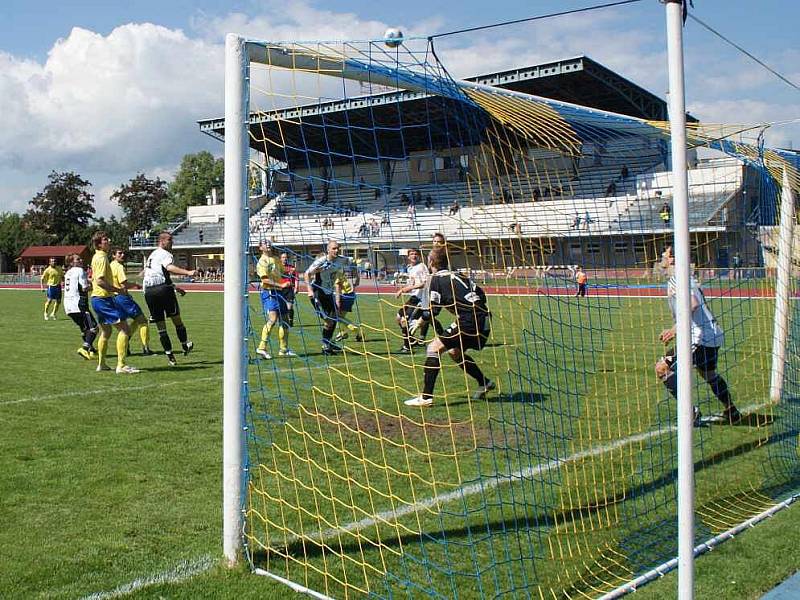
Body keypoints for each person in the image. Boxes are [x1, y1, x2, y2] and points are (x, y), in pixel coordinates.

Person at [655, 246, 742, 425]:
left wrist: (674, 329)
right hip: (712, 335)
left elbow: (692, 304)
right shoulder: (685, 279)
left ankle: (691, 412)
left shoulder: (677, 280)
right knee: (709, 374)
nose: (661, 259)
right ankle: (731, 411)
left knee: (662, 368)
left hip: (699, 338)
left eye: (664, 255)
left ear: (672, 260)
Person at [405, 247, 494, 407]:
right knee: (454, 352)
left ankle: (425, 398)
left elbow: (433, 311)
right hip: (485, 317)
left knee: (433, 348)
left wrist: (419, 322)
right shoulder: (459, 275)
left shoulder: (436, 279)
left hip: (469, 320)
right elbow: (481, 294)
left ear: (430, 262)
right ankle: (484, 383)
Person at [142, 232, 197, 366]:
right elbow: (169, 268)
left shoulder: (153, 255)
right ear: (161, 241)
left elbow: (155, 274)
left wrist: (175, 288)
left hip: (149, 292)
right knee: (176, 319)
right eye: (169, 240)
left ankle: (170, 357)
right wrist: (188, 272)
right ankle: (185, 345)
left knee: (161, 327)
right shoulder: (165, 254)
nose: (172, 242)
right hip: (162, 291)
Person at [89, 232, 139, 374]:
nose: (109, 241)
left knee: (106, 331)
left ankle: (102, 364)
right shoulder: (102, 258)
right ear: (99, 244)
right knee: (125, 329)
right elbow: (99, 281)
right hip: (103, 299)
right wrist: (118, 290)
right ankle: (121, 365)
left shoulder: (98, 256)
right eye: (105, 239)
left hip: (97, 299)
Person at [304, 240, 349, 355]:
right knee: (328, 321)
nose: (336, 250)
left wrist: (357, 275)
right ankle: (326, 345)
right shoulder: (321, 261)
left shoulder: (342, 259)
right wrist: (309, 290)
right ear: (328, 250)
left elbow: (351, 263)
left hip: (329, 293)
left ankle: (328, 344)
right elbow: (307, 274)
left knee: (334, 319)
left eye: (338, 248)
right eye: (334, 248)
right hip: (318, 293)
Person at [255, 241, 296, 359]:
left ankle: (283, 349)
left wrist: (289, 271)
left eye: (268, 243)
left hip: (279, 293)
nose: (268, 244)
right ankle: (261, 347)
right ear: (260, 247)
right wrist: (281, 285)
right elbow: (265, 280)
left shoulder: (275, 258)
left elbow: (282, 270)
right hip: (270, 292)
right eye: (264, 243)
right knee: (272, 319)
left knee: (285, 320)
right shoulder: (262, 262)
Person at [111, 248, 154, 356]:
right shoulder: (119, 266)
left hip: (113, 298)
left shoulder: (110, 266)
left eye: (123, 253)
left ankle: (126, 347)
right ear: (113, 255)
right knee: (143, 320)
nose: (122, 255)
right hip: (123, 298)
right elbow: (124, 283)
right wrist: (135, 284)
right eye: (119, 253)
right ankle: (146, 348)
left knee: (124, 324)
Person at [63, 253, 98, 360]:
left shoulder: (68, 273)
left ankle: (92, 351)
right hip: (79, 304)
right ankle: (84, 348)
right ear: (71, 262)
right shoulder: (79, 270)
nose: (81, 260)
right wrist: (95, 286)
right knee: (94, 327)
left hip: (68, 306)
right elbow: (84, 288)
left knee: (84, 329)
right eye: (78, 259)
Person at [395, 248, 430, 353]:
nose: (414, 256)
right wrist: (402, 289)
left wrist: (408, 288)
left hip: (421, 298)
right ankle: (413, 339)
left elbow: (424, 283)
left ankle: (407, 347)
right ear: (408, 256)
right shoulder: (410, 268)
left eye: (416, 254)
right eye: (412, 254)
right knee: (398, 318)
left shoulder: (422, 267)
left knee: (404, 320)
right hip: (413, 298)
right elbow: (413, 283)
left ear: (419, 256)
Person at [333, 257, 364, 343]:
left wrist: (338, 302)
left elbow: (338, 288)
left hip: (345, 297)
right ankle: (343, 332)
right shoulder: (341, 272)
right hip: (350, 295)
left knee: (337, 317)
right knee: (340, 317)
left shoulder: (337, 274)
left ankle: (357, 331)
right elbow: (356, 283)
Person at [279, 252, 300, 328]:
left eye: (286, 257)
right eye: (283, 257)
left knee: (289, 307)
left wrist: (297, 287)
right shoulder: (277, 267)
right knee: (281, 307)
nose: (285, 259)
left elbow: (296, 278)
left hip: (289, 289)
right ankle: (282, 321)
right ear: (280, 258)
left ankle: (290, 319)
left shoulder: (292, 268)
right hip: (280, 289)